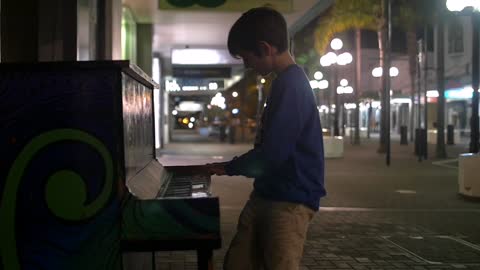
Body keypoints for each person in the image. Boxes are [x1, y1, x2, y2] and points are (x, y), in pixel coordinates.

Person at [207, 7, 326, 270]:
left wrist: (230, 167)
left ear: (265, 48)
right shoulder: (284, 83)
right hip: (269, 195)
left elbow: (273, 154)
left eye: (247, 58)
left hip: (288, 202)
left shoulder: (291, 85)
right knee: (238, 262)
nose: (247, 66)